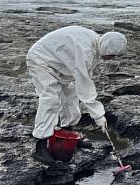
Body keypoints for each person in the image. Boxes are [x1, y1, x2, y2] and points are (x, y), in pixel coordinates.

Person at [27, 26, 127, 163]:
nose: (112, 58)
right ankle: (41, 146)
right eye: (112, 54)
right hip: (41, 61)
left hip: (60, 65)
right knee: (50, 100)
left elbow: (83, 78)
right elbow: (84, 85)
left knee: (71, 96)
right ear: (106, 47)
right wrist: (98, 115)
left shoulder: (96, 45)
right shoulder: (86, 50)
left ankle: (68, 137)